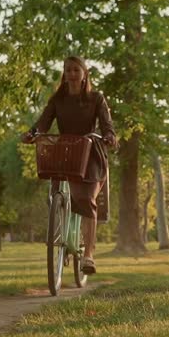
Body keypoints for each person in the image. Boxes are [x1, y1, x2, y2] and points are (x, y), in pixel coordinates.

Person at [22, 55, 116, 274]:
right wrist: (32, 134)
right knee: (57, 194)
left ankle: (89, 255)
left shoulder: (96, 98)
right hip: (66, 152)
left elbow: (106, 124)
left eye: (76, 70)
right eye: (68, 70)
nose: (72, 74)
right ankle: (61, 228)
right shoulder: (58, 100)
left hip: (91, 152)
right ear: (64, 74)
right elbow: (43, 122)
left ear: (84, 74)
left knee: (85, 199)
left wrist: (110, 136)